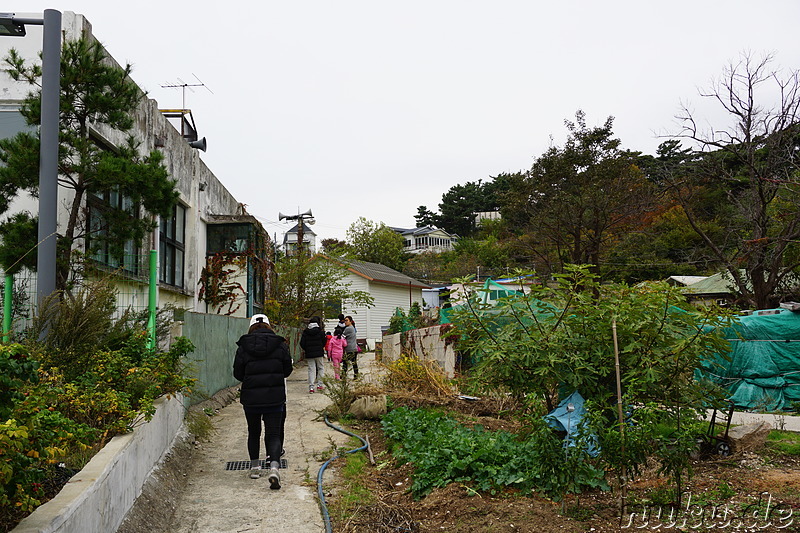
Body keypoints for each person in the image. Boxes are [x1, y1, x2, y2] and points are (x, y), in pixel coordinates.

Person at [233, 314, 292, 489]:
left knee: (253, 431)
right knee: (273, 434)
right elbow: (287, 371)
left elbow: (237, 373)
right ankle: (274, 467)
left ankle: (254, 468)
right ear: (268, 326)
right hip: (274, 398)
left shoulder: (243, 346)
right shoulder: (280, 345)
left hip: (251, 398)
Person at [300, 316, 326, 393]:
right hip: (319, 353)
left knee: (311, 369)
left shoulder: (305, 332)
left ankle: (311, 387)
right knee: (320, 368)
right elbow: (324, 341)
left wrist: (307, 349)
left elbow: (302, 343)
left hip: (309, 353)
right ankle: (319, 385)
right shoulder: (320, 332)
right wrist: (320, 347)